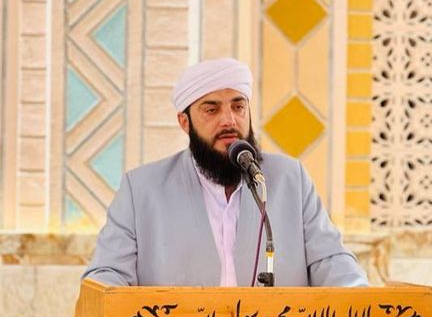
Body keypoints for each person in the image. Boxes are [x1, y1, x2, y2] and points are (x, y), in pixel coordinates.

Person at [84, 58, 368, 287]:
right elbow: (107, 275)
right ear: (185, 122)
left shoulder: (290, 179)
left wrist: (357, 295)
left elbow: (330, 260)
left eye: (238, 106)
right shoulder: (141, 190)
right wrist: (107, 298)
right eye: (212, 110)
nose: (229, 120)